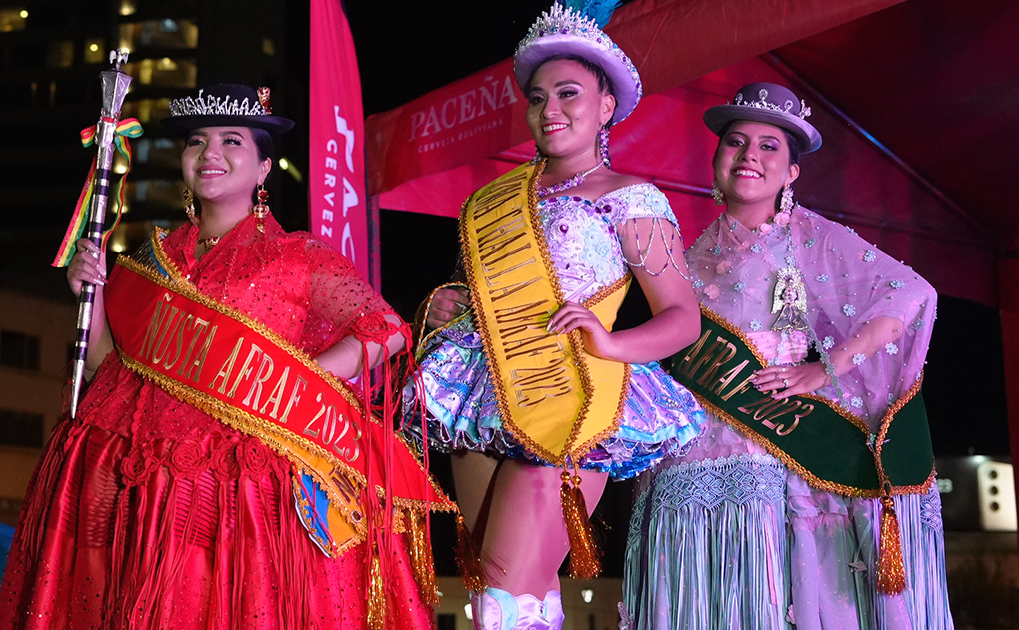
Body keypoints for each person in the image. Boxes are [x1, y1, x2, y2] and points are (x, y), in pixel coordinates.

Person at [0, 83, 452, 630]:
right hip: (137, 472)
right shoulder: (149, 258)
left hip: (250, 485)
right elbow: (103, 368)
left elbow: (386, 330)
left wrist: (299, 381)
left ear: (263, 169)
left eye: (232, 141)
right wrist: (85, 297)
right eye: (197, 142)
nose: (210, 154)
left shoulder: (298, 257)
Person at [406, 5, 706, 628]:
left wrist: (610, 340)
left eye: (569, 94)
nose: (550, 110)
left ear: (605, 106)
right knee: (507, 593)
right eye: (538, 97)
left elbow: (682, 318)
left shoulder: (630, 198)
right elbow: (482, 296)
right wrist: (443, 306)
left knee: (502, 601)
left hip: (575, 392)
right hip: (486, 392)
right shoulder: (494, 203)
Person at [621, 82, 952, 629]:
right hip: (691, 464)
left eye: (769, 145)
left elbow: (912, 293)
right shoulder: (687, 254)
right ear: (717, 158)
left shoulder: (809, 237)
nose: (749, 154)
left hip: (780, 458)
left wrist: (826, 369)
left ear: (792, 172)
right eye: (736, 141)